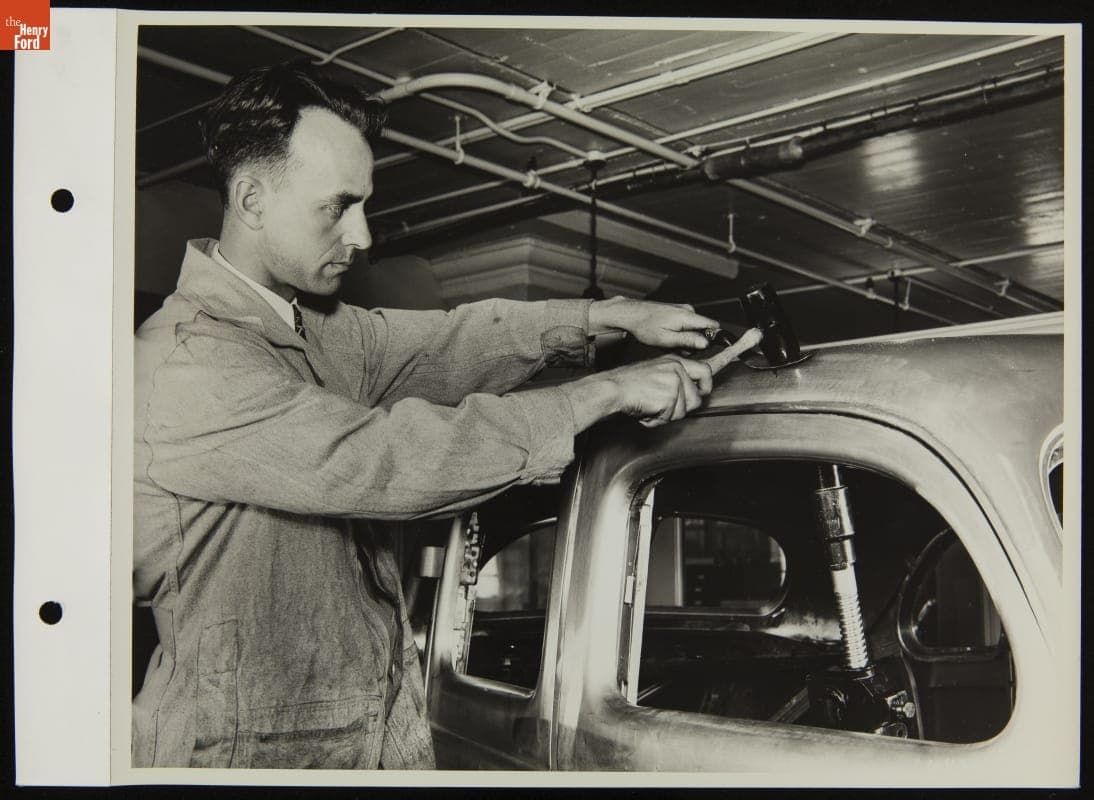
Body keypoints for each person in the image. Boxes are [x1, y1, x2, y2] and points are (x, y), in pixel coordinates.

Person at [132, 61, 720, 770]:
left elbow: (453, 341)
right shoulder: (187, 365)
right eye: (338, 206)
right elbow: (385, 460)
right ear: (252, 199)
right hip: (232, 760)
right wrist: (606, 393)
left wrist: (606, 315)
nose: (364, 235)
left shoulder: (315, 329)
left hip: (366, 736)